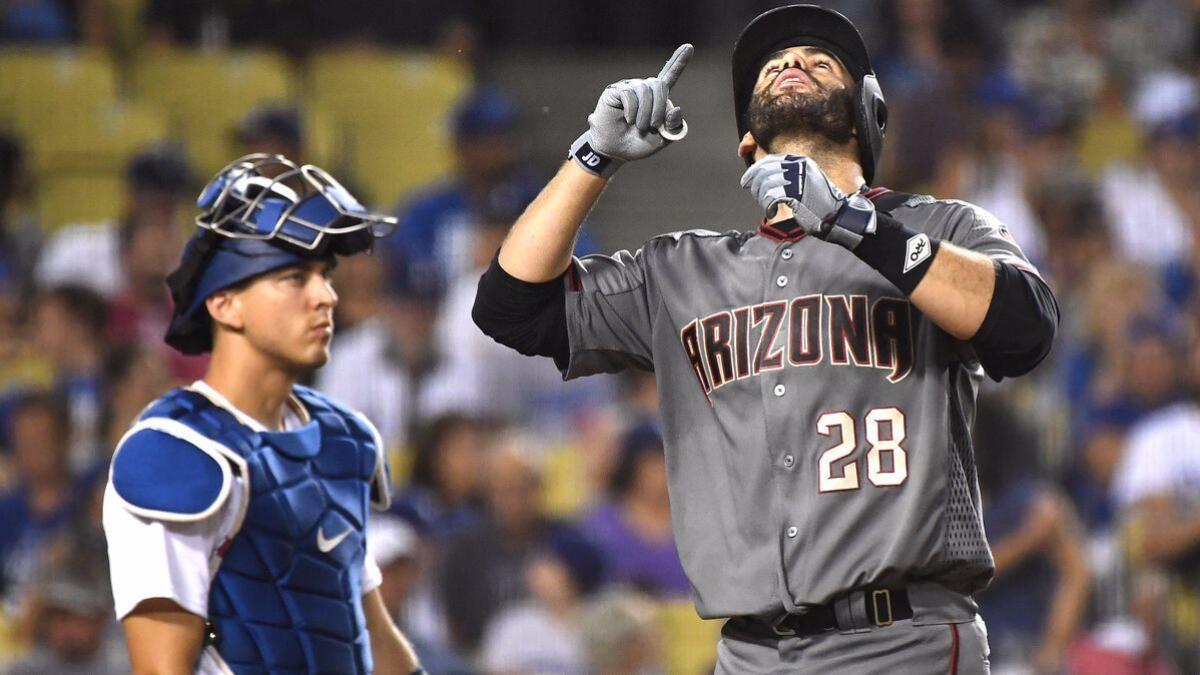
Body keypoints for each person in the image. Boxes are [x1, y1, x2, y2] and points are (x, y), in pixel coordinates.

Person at [472, 5, 1058, 672]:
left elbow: (1025, 327)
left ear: (866, 114)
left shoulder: (939, 225)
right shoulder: (683, 270)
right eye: (774, 66)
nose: (791, 64)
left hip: (902, 638)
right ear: (748, 141)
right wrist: (592, 155)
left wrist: (853, 222)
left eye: (819, 60)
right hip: (750, 651)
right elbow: (511, 304)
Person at [101, 154, 422, 674]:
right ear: (225, 303)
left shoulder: (346, 438)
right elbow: (162, 668)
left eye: (324, 275)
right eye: (294, 278)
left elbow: (369, 633)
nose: (326, 296)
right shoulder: (175, 450)